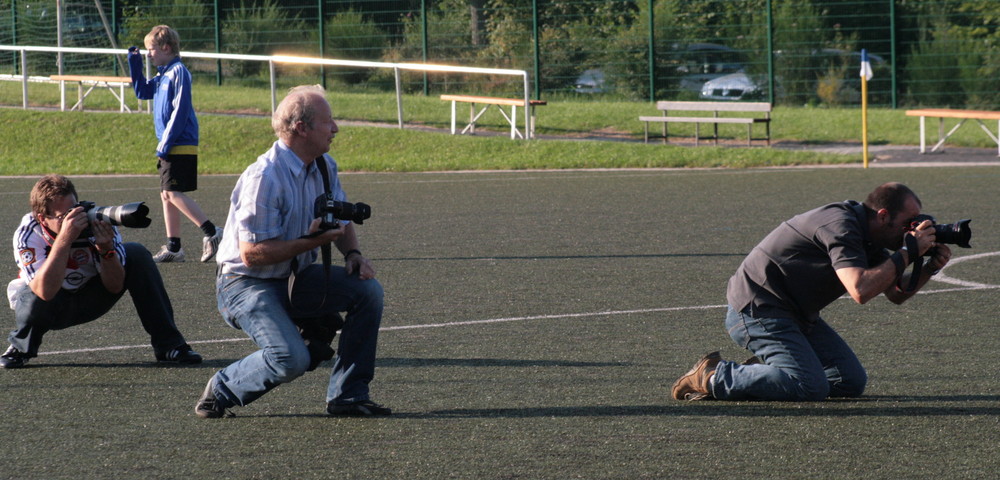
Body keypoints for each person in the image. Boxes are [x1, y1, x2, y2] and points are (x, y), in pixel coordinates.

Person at [195, 85, 389, 418]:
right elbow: (252, 254)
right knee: (291, 359)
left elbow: (340, 215)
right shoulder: (265, 177)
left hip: (292, 276)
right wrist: (312, 243)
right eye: (328, 122)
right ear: (302, 128)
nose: (336, 129)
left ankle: (348, 394)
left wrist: (353, 254)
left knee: (367, 290)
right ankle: (222, 388)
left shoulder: (325, 165)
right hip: (245, 284)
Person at [672, 182, 951, 401]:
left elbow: (895, 293)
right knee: (809, 386)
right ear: (883, 215)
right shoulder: (839, 226)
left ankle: (772, 369)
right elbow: (860, 290)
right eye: (908, 224)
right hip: (757, 310)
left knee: (848, 381)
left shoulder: (872, 237)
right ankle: (712, 376)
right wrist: (906, 252)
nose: (912, 231)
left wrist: (928, 268)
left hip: (795, 315)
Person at [1, 174, 202, 369]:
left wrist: (106, 250)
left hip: (92, 297)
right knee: (33, 293)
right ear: (42, 219)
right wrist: (65, 239)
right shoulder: (29, 232)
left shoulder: (97, 221)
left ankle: (169, 346)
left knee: (137, 254)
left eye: (75, 210)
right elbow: (45, 292)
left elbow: (114, 286)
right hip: (52, 304)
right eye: (64, 217)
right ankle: (21, 348)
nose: (74, 219)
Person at [128, 25, 222, 263]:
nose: (150, 54)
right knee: (165, 194)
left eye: (152, 49)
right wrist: (135, 65)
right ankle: (174, 247)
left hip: (179, 142)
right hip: (169, 142)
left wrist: (166, 142)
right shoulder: (163, 74)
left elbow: (180, 111)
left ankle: (212, 232)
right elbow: (141, 91)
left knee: (172, 191)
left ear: (166, 47)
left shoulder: (178, 71)